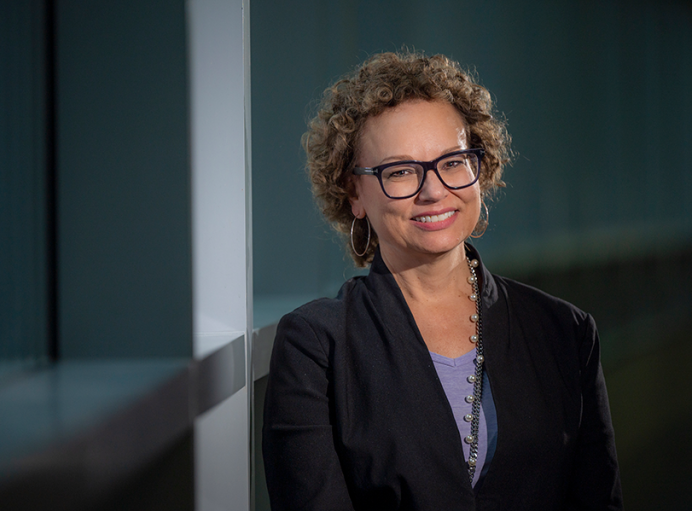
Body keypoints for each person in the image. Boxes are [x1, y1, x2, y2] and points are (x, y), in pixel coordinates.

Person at [262, 50, 622, 510]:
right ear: (353, 192)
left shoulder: (565, 332)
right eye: (401, 171)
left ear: (480, 166)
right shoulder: (315, 346)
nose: (433, 190)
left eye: (453, 162)